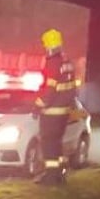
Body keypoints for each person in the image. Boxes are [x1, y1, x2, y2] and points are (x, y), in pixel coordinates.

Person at [33, 28, 80, 186]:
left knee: (48, 144)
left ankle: (51, 177)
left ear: (48, 45)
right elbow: (72, 87)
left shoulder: (52, 63)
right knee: (57, 143)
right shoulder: (67, 62)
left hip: (51, 112)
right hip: (64, 111)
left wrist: (38, 104)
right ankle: (59, 175)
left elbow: (50, 89)